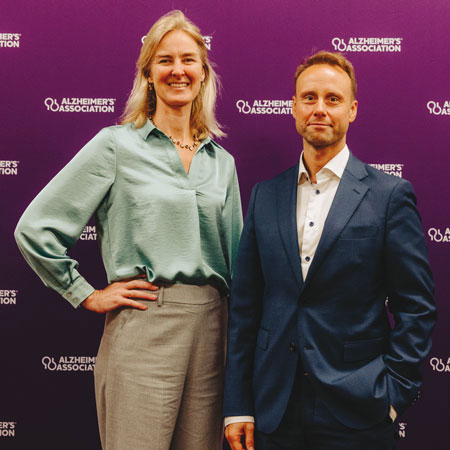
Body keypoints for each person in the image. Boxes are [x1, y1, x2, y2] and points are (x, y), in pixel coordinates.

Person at [15, 10, 242, 450]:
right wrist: (85, 292)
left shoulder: (223, 163)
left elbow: (238, 266)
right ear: (148, 74)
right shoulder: (115, 145)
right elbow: (35, 227)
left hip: (215, 330)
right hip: (143, 324)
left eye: (189, 60)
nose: (178, 70)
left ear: (203, 72)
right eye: (165, 60)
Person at [223, 51, 436, 450]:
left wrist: (393, 395)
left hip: (358, 406)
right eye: (309, 97)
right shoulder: (265, 195)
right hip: (274, 408)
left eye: (333, 99)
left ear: (352, 110)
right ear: (294, 107)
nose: (319, 108)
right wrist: (238, 404)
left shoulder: (389, 196)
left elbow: (417, 306)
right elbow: (245, 308)